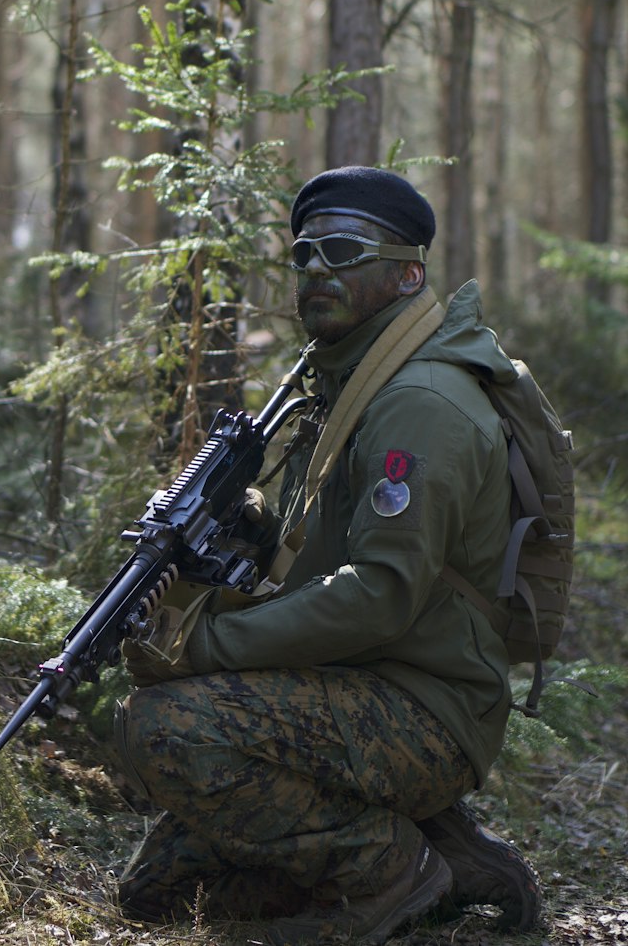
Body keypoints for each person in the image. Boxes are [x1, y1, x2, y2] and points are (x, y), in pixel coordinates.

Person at [113, 165, 542, 946]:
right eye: (304, 253)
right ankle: (447, 851)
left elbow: (381, 593)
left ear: (407, 272)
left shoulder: (419, 403)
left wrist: (203, 645)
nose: (316, 268)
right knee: (158, 894)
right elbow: (326, 553)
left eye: (342, 250)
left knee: (167, 729)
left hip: (425, 705)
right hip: (359, 680)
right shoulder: (351, 381)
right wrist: (243, 532)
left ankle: (392, 871)